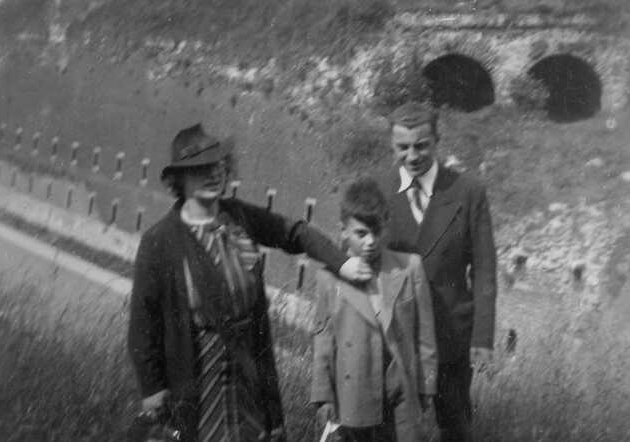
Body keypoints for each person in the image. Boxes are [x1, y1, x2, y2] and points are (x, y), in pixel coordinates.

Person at [128, 123, 373, 442]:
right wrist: (152, 389)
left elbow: (295, 232)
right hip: (197, 377)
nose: (214, 174)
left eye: (218, 166)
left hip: (249, 373)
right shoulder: (159, 241)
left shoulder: (239, 217)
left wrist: (343, 263)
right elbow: (142, 323)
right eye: (201, 169)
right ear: (180, 179)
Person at [383, 102, 497, 442]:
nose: (412, 156)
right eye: (403, 147)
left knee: (455, 426)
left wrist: (482, 338)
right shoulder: (378, 190)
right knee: (394, 427)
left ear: (437, 141)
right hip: (397, 335)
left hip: (451, 336)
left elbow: (484, 269)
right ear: (392, 145)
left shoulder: (468, 191)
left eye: (421, 146)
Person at [310, 177, 438, 442]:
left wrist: (427, 387)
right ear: (343, 231)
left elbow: (425, 336)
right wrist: (323, 396)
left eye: (376, 232)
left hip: (401, 389)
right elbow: (323, 341)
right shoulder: (329, 278)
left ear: (385, 227)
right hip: (355, 391)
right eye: (361, 234)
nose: (370, 241)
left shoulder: (409, 267)